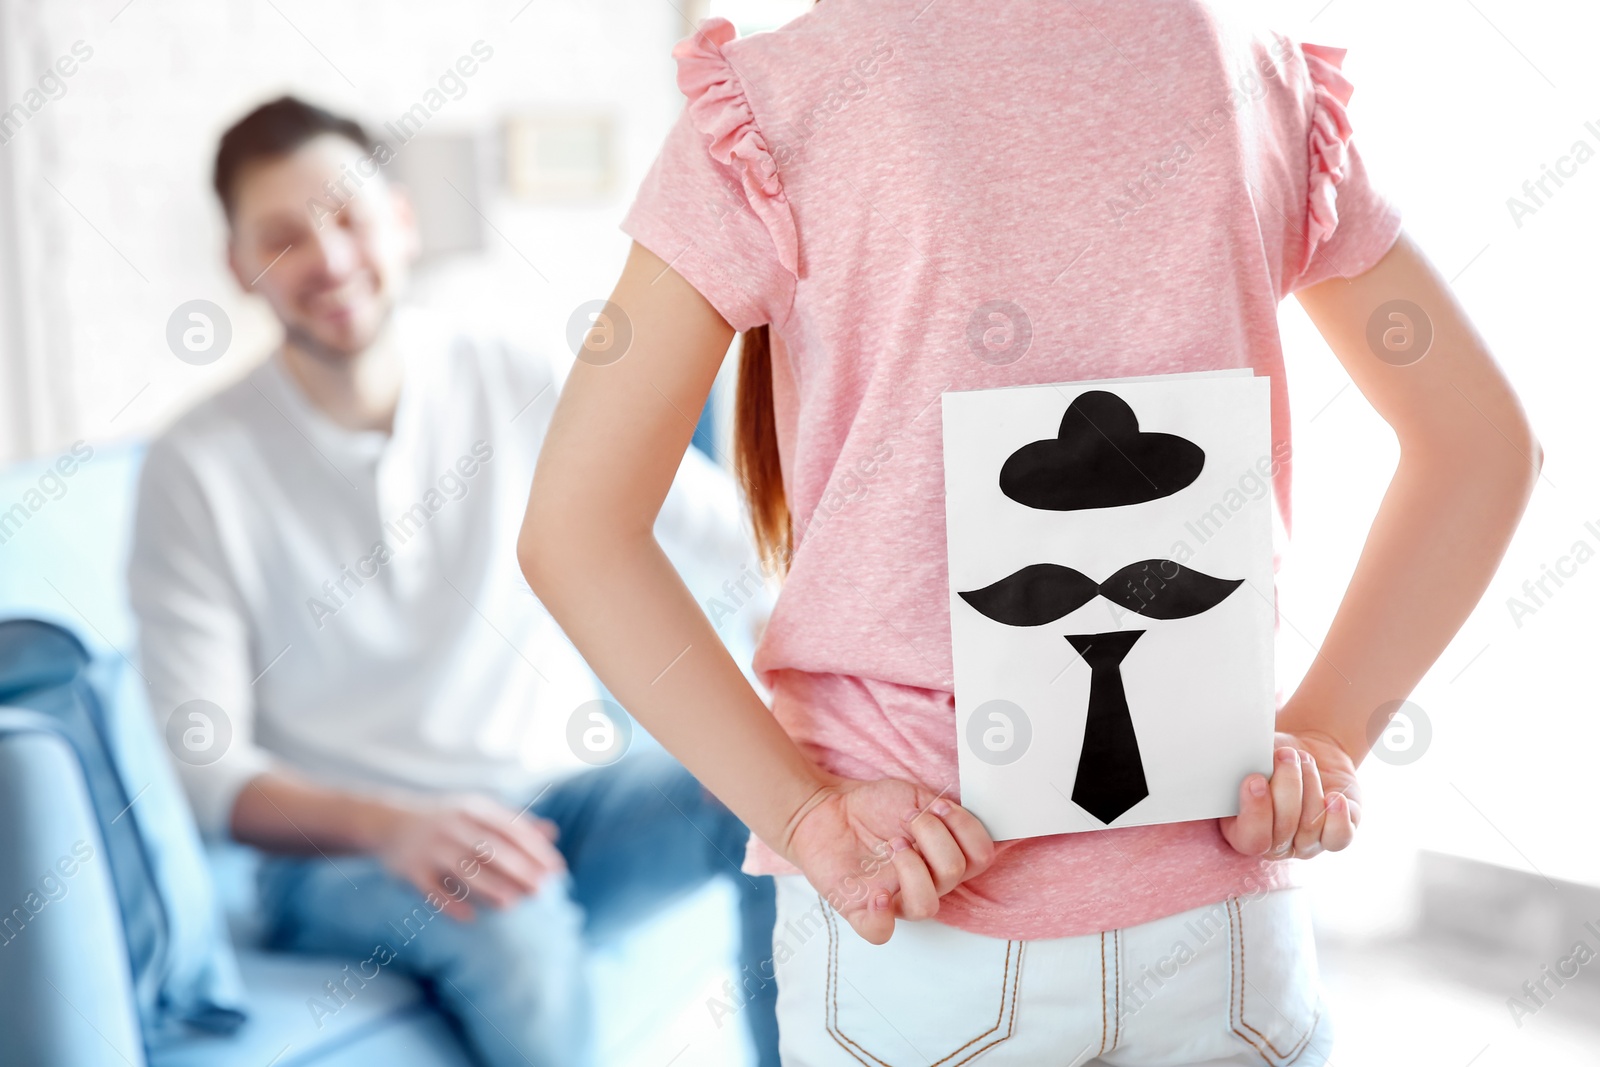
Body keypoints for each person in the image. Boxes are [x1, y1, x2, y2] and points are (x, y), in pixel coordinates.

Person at [517, 2, 1542, 1064]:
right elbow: (1483, 447)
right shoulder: (1255, 75)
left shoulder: (779, 102)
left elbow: (575, 529)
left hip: (913, 904)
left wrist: (804, 813)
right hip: (1222, 931)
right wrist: (1325, 739)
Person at [128, 96, 780, 1067]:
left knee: (771, 786)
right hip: (348, 855)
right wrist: (392, 824)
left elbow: (729, 538)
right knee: (504, 913)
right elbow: (200, 768)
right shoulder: (197, 463)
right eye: (282, 236)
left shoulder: (509, 373)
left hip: (561, 807)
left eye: (346, 217)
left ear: (400, 218)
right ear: (239, 265)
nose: (330, 259)